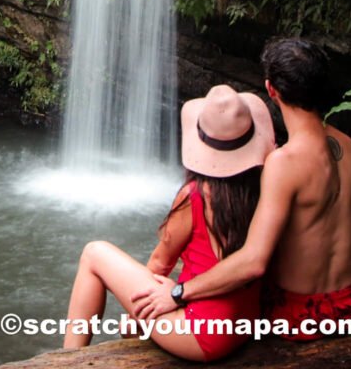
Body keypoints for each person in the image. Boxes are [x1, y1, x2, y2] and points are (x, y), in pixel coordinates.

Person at [132, 38, 351, 340]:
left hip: (300, 316)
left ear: (271, 90)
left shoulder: (283, 162)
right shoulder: (349, 147)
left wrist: (179, 292)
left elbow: (254, 261)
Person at [63, 84, 275, 360]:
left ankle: (65, 359)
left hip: (203, 335)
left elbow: (161, 262)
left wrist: (135, 317)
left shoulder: (196, 196)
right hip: (246, 322)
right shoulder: (268, 187)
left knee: (94, 254)